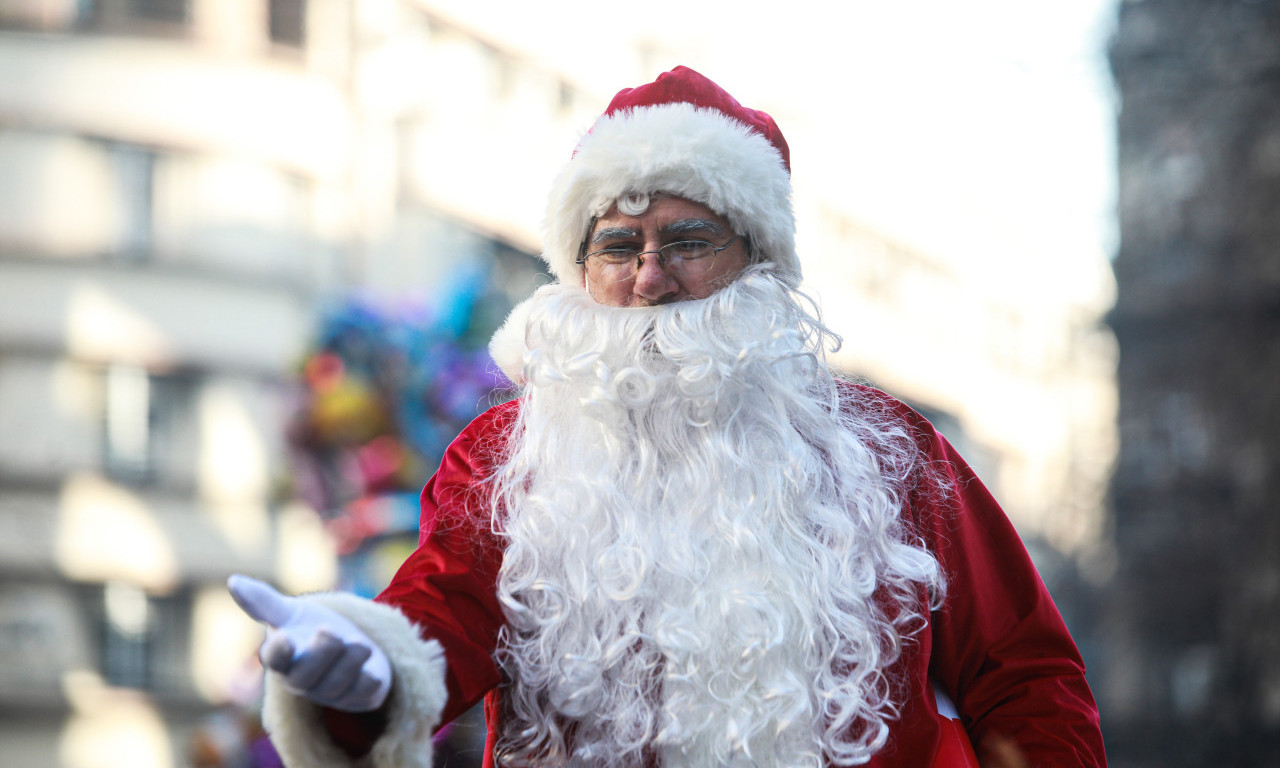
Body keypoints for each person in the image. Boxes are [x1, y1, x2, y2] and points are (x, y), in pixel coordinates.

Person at [229, 66, 1106, 768]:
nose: (649, 279)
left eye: (687, 243)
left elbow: (1025, 676)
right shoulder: (509, 456)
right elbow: (441, 613)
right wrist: (368, 674)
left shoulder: (887, 452)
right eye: (617, 245)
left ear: (757, 262)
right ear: (581, 270)